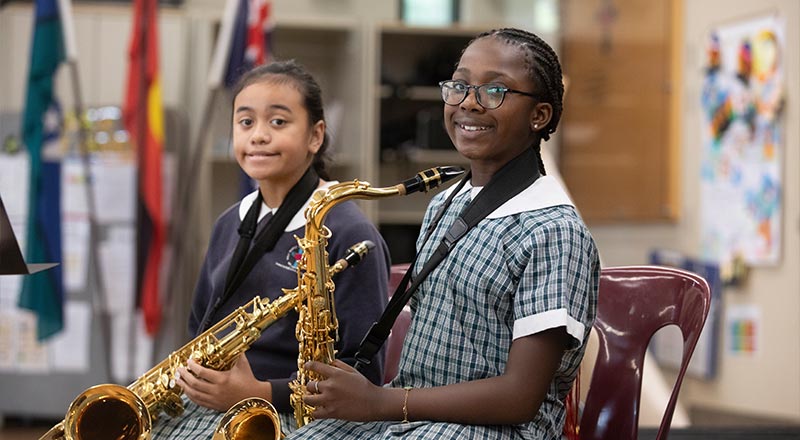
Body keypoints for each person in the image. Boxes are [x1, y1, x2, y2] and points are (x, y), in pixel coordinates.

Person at [289, 28, 600, 439]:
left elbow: (520, 397)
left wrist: (381, 403)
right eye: (459, 86)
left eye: (494, 91)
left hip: (498, 430)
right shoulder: (445, 203)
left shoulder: (554, 231)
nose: (468, 102)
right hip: (412, 415)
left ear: (539, 115)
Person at [151, 60, 390, 438]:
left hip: (304, 414)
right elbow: (201, 326)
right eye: (245, 122)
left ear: (315, 136)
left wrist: (258, 393)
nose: (258, 136)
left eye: (278, 122)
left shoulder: (350, 231)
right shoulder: (230, 221)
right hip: (223, 402)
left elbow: (364, 371)